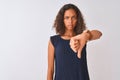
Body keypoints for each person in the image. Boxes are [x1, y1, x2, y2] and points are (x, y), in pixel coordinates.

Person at [47, 3, 102, 80]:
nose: (70, 21)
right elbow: (50, 70)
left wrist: (86, 35)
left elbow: (99, 34)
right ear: (62, 20)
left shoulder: (82, 38)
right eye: (67, 18)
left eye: (73, 17)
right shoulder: (54, 41)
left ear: (77, 19)